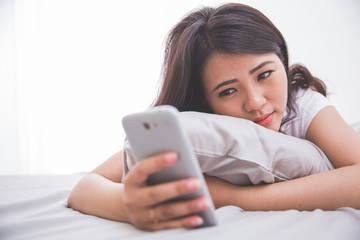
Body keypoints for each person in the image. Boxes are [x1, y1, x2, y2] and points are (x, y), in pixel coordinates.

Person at [67, 3, 360, 231]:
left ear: (282, 60)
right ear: (204, 100)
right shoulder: (201, 129)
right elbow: (84, 187)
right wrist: (126, 205)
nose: (256, 102)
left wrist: (232, 198)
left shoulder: (302, 104)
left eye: (265, 74)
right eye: (228, 91)